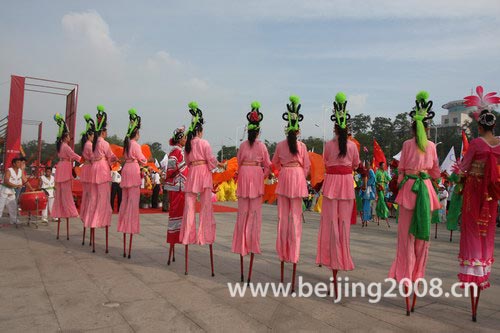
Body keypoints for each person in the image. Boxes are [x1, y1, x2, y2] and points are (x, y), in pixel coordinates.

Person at [388, 91, 440, 315]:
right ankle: (417, 277)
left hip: (409, 190)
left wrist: (401, 182)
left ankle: (406, 278)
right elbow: (436, 173)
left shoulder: (407, 145)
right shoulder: (431, 146)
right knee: (422, 240)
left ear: (412, 127)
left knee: (405, 240)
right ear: (428, 128)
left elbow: (399, 172)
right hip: (425, 191)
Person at [458, 86, 500, 321]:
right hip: (491, 198)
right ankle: (482, 273)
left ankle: (473, 277)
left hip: (474, 195)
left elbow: (463, 168)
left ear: (479, 126)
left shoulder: (476, 144)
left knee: (472, 231)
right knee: (487, 233)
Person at [316, 92, 360, 298]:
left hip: (333, 185)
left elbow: (325, 162)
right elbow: (356, 165)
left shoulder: (328, 145)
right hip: (345, 185)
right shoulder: (352, 146)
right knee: (343, 229)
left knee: (331, 227)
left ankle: (333, 269)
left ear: (335, 127)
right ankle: (341, 265)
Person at [180, 102, 225, 276]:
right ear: (200, 130)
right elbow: (211, 160)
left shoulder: (188, 145)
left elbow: (188, 161)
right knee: (206, 207)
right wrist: (218, 165)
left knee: (189, 208)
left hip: (192, 174)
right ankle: (204, 235)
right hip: (204, 173)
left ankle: (187, 235)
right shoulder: (204, 143)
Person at [271, 95, 310, 292]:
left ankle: (283, 253)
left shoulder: (280, 145)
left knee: (282, 219)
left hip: (285, 177)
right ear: (299, 130)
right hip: (296, 178)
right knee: (295, 220)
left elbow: (274, 164)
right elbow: (307, 167)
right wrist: (299, 177)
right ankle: (293, 254)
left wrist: (284, 171)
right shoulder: (302, 147)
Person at [232, 101, 271, 284]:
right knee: (254, 215)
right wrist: (261, 176)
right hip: (255, 177)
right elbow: (268, 166)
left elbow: (238, 163)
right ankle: (252, 243)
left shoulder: (242, 146)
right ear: (259, 131)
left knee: (242, 215)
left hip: (245, 176)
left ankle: (241, 244)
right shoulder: (262, 146)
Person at [117, 109, 147, 258]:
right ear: (136, 133)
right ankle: (130, 224)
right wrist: (145, 161)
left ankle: (124, 224)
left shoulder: (126, 144)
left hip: (126, 170)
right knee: (133, 202)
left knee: (125, 201)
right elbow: (143, 159)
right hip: (133, 169)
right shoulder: (135, 144)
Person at [88, 105, 117, 253]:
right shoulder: (104, 143)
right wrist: (115, 159)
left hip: (94, 169)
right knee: (103, 198)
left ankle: (92, 219)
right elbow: (111, 156)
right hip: (102, 169)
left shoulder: (93, 143)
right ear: (103, 131)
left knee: (94, 197)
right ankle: (101, 218)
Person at [51, 113, 81, 240]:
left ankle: (59, 211)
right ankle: (70, 211)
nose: (70, 137)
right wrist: (85, 160)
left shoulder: (60, 146)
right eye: (68, 135)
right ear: (65, 136)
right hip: (65, 167)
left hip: (61, 168)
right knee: (67, 192)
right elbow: (74, 155)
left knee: (60, 193)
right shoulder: (66, 147)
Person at [165, 126, 188, 265]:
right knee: (175, 214)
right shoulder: (175, 152)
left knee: (179, 214)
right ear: (180, 140)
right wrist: (186, 164)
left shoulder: (179, 152)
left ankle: (177, 238)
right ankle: (175, 238)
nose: (186, 140)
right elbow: (171, 171)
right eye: (184, 137)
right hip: (177, 188)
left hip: (180, 187)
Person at [79, 114, 95, 245]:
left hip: (86, 168)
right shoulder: (89, 145)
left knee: (87, 196)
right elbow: (94, 158)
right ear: (90, 135)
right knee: (90, 197)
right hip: (90, 169)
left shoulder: (86, 144)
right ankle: (89, 217)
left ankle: (86, 217)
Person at [0, 158, 24, 225]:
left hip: (12, 190)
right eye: (18, 162)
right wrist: (16, 185)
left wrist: (31, 188)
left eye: (20, 162)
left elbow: (23, 179)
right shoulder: (9, 170)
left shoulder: (20, 171)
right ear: (14, 164)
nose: (20, 164)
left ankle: (13, 220)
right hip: (4, 190)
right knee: (1, 206)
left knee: (13, 206)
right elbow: (6, 181)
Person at [375, 161, 391, 227]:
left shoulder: (385, 172)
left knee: (379, 203)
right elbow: (375, 180)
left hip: (384, 189)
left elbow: (389, 179)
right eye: (383, 165)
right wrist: (378, 186)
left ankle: (378, 213)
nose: (384, 166)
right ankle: (385, 213)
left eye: (384, 165)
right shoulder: (377, 172)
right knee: (382, 200)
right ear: (380, 166)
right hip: (379, 188)